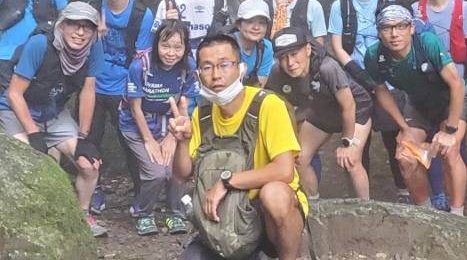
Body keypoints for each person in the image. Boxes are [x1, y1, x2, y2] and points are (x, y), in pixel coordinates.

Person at [169, 33, 307, 260]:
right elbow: (181, 175)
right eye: (207, 67)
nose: (216, 75)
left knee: (275, 194)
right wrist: (182, 141)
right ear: (198, 75)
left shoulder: (268, 105)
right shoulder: (202, 114)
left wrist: (226, 182)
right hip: (221, 221)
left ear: (241, 69)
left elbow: (285, 171)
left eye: (224, 65)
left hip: (265, 220)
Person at [0, 2, 106, 237]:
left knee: (90, 165)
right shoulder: (40, 44)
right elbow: (14, 94)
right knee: (34, 163)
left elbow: (88, 91)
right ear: (62, 25)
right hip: (17, 111)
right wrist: (34, 134)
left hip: (54, 112)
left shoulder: (94, 47)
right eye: (75, 25)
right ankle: (31, 221)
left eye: (87, 27)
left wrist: (84, 136)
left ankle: (83, 216)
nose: (81, 33)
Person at [363, 3, 467, 215]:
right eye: (387, 28)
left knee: (450, 151)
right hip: (417, 104)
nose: (394, 34)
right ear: (379, 32)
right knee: (405, 157)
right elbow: (380, 90)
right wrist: (403, 128)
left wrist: (450, 130)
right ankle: (425, 214)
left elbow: (456, 84)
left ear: (411, 28)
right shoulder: (374, 55)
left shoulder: (427, 42)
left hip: (449, 100)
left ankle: (458, 216)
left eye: (401, 26)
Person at [328, 0, 409, 203]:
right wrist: (359, 74)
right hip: (354, 81)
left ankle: (404, 190)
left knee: (393, 136)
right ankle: (361, 196)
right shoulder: (340, 6)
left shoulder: (390, 3)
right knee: (356, 140)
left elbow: (401, 42)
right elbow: (338, 47)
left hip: (388, 81)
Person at [267, 26, 373, 200]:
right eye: (283, 57)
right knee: (299, 159)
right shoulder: (277, 72)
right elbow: (270, 103)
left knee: (351, 159)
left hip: (356, 109)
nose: (290, 62)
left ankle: (365, 207)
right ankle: (315, 205)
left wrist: (346, 143)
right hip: (321, 110)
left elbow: (349, 106)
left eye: (294, 54)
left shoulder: (327, 67)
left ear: (308, 50)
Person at [88, 0, 154, 215]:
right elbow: (75, 47)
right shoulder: (92, 10)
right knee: (91, 138)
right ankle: (93, 189)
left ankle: (140, 194)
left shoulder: (141, 14)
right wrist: (96, 37)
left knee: (130, 142)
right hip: (93, 84)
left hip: (124, 88)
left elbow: (142, 58)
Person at [119, 19, 198, 236]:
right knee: (155, 173)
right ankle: (144, 214)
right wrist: (149, 141)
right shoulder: (140, 66)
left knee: (176, 170)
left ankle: (175, 213)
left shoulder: (188, 67)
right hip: (137, 125)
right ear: (156, 45)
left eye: (177, 47)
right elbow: (134, 107)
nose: (171, 53)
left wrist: (172, 138)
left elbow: (185, 104)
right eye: (165, 46)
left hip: (170, 124)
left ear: (185, 48)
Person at [411, 0, 467, 211]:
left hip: (456, 80)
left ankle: (455, 197)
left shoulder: (462, 7)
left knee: (454, 139)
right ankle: (437, 192)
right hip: (428, 82)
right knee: (432, 137)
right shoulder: (416, 9)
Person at [232, 0, 274, 88]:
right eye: (250, 22)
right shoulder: (226, 45)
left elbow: (259, 87)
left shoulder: (266, 48)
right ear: (239, 25)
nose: (256, 27)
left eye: (261, 23)